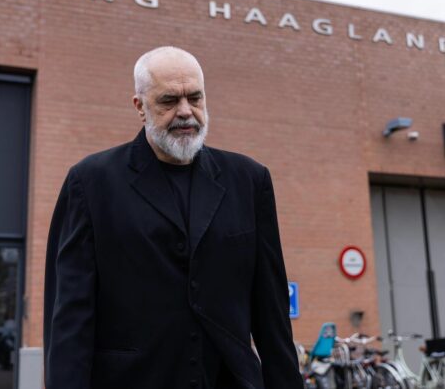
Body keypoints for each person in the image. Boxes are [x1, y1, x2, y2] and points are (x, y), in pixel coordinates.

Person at [44, 46, 303, 389]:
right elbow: (70, 316)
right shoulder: (91, 183)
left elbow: (272, 312)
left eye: (195, 98)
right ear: (140, 106)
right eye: (169, 100)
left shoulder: (250, 180)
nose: (185, 112)